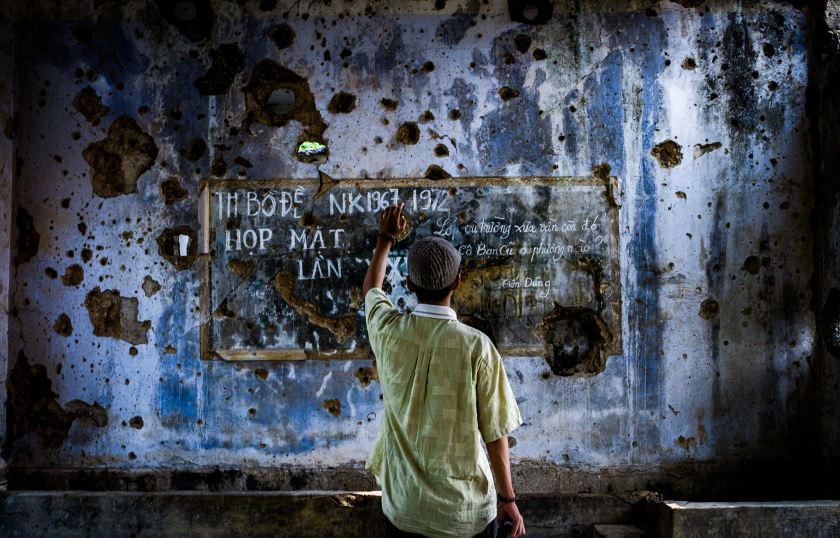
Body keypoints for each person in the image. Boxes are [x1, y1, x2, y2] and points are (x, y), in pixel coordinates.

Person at [362, 203, 526, 538]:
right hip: (464, 515)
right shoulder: (477, 347)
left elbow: (372, 292)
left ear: (408, 283)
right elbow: (495, 436)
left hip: (404, 510)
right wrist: (507, 498)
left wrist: (385, 239)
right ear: (458, 282)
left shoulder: (388, 332)